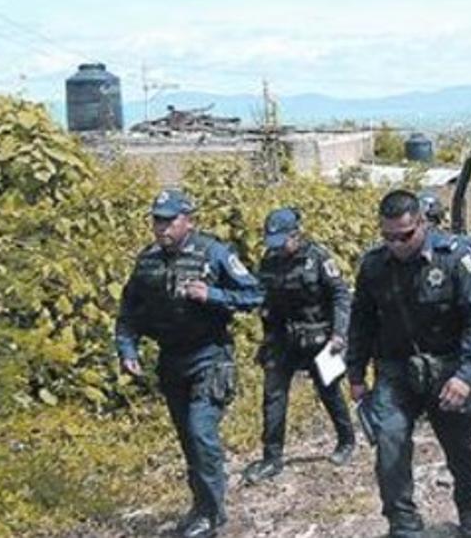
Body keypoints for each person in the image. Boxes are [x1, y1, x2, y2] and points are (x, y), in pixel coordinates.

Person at [346, 190, 471, 538]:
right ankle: (404, 525)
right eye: (388, 237)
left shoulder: (455, 260)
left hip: (448, 370)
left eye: (405, 235)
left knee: (460, 449)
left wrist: (466, 376)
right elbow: (361, 323)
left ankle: (468, 507)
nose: (397, 244)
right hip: (396, 370)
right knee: (390, 442)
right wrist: (355, 373)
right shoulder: (373, 267)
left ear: (422, 224)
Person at [115, 189, 263, 538]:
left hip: (210, 358)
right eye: (157, 220)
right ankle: (202, 507)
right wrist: (128, 349)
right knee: (188, 440)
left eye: (169, 220)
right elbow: (128, 312)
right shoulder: (147, 260)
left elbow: (255, 294)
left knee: (201, 434)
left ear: (188, 221)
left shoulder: (214, 254)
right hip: (171, 361)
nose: (161, 227)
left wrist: (212, 295)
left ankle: (212, 515)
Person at [243, 208, 356, 485]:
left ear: (296, 235)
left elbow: (341, 296)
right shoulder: (269, 260)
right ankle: (272, 457)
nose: (279, 249)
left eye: (282, 242)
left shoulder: (318, 258)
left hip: (321, 337)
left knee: (329, 390)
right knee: (273, 395)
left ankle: (346, 440)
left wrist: (339, 335)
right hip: (284, 338)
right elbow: (263, 299)